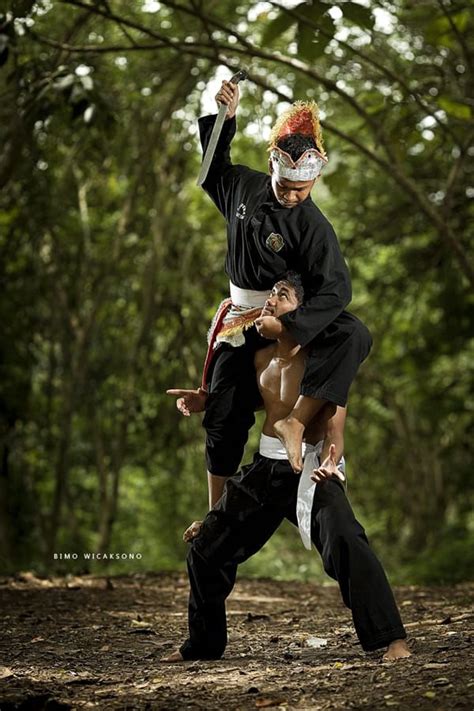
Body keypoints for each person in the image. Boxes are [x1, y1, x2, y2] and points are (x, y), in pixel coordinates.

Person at [162, 274, 410, 663]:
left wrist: (331, 461)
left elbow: (335, 423)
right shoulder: (259, 358)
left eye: (283, 295)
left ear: (303, 311)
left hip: (310, 466)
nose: (272, 300)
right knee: (206, 547)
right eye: (271, 293)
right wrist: (205, 399)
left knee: (346, 540)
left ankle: (392, 640)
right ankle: (203, 645)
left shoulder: (322, 358)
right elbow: (246, 403)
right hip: (266, 467)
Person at [168, 81, 372, 510]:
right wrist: (226, 118)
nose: (292, 195)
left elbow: (336, 289)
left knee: (354, 333)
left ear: (315, 179)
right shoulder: (243, 186)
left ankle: (299, 424)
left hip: (285, 319)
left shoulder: (315, 227)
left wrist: (289, 326)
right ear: (272, 169)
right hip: (241, 318)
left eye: (302, 189)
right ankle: (215, 514)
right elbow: (211, 171)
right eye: (285, 186)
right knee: (223, 417)